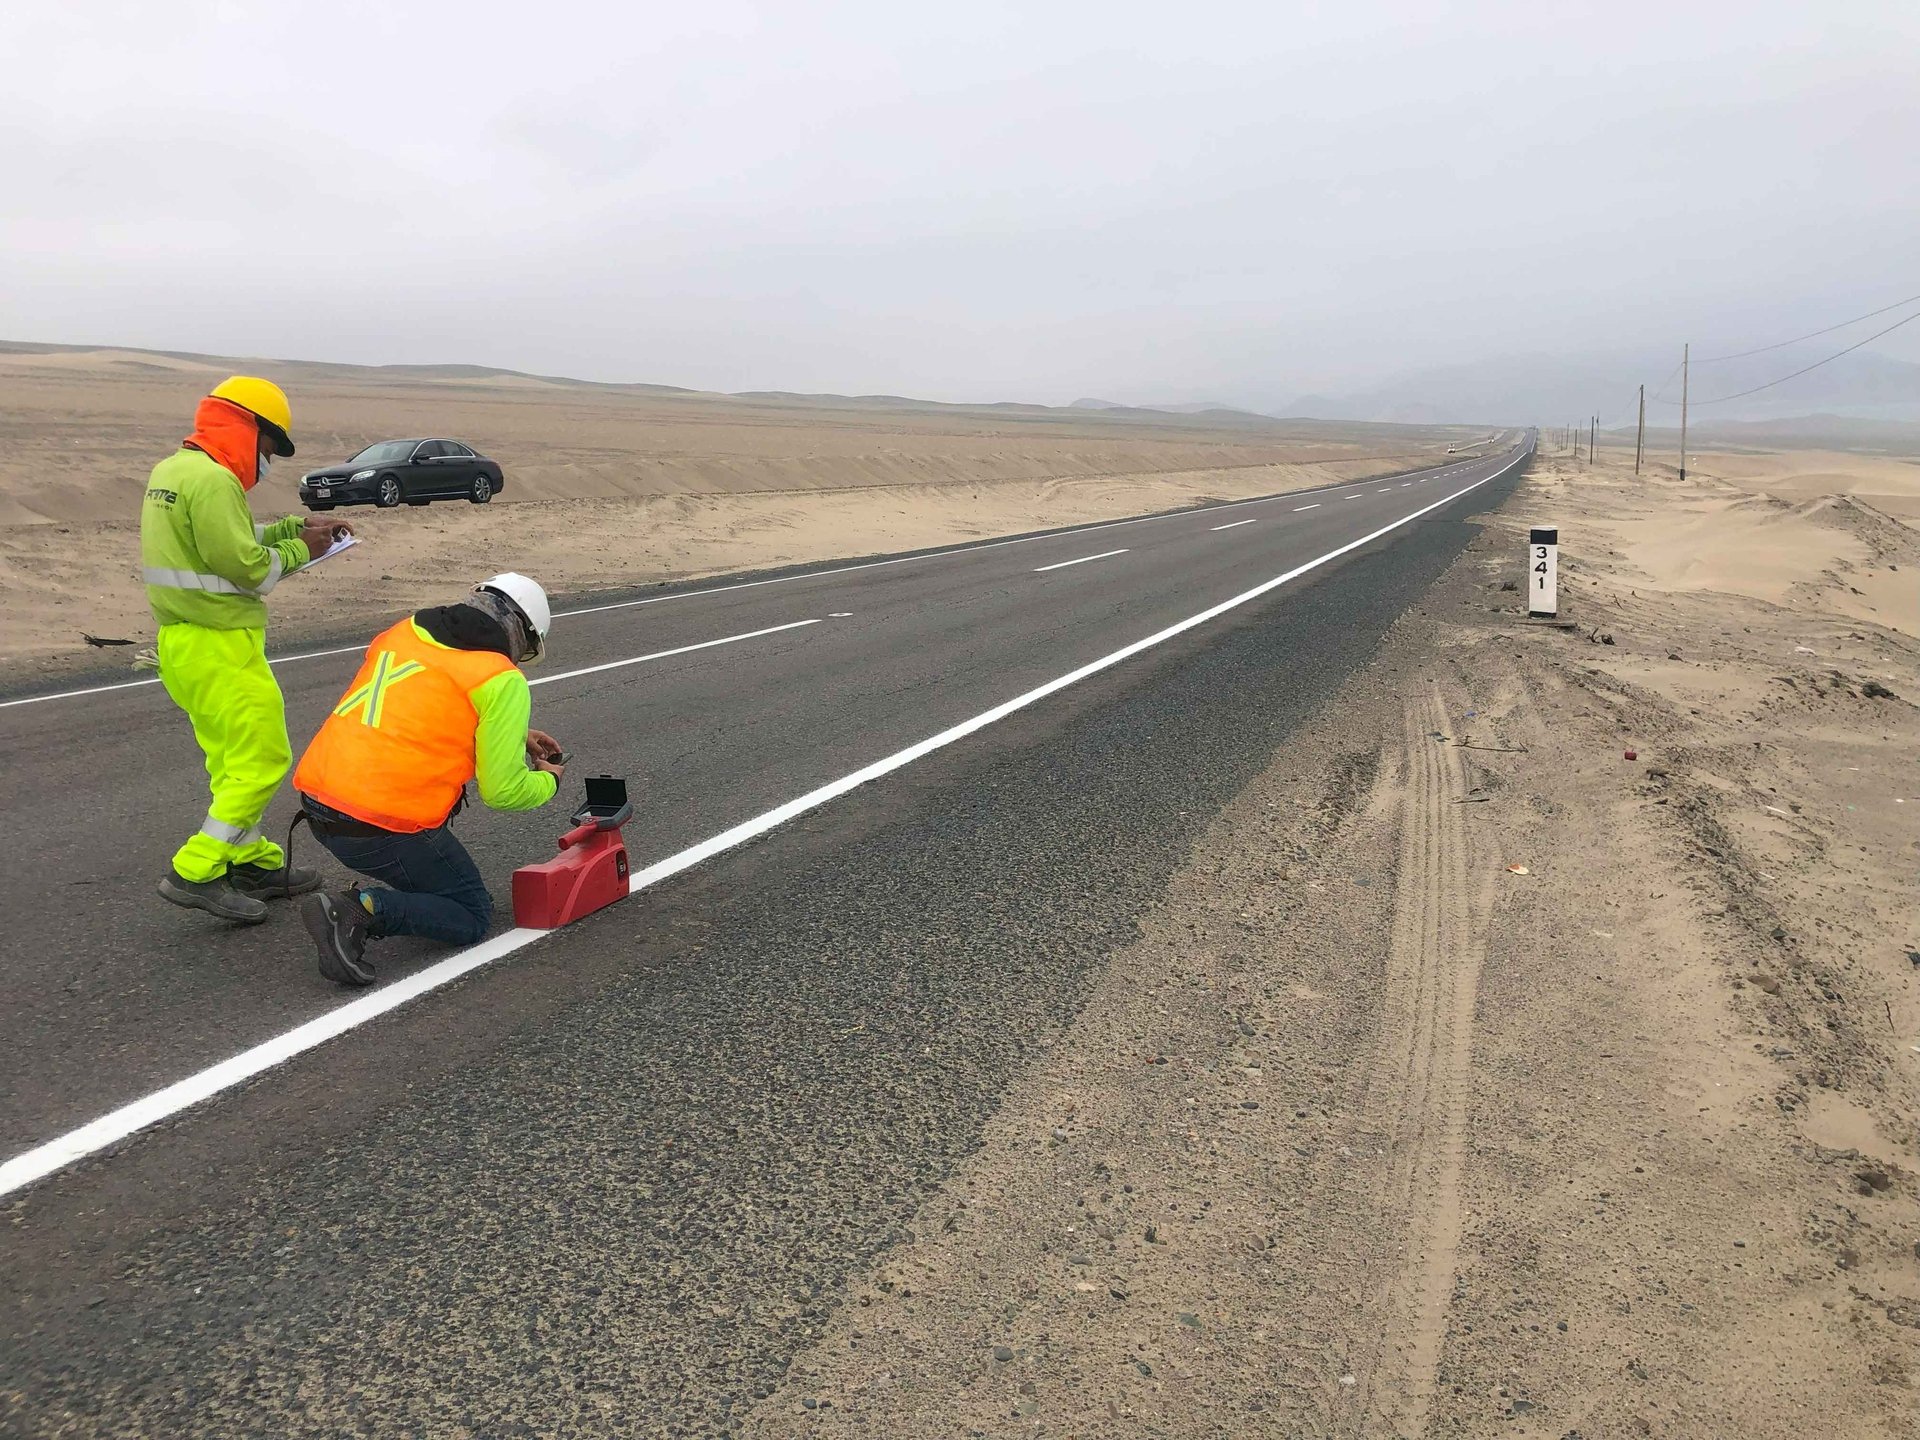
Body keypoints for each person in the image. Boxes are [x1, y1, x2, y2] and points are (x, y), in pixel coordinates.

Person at [144, 375, 352, 923]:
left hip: (183, 643)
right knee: (263, 757)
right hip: (219, 644)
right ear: (248, 428)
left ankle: (251, 859)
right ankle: (196, 869)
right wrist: (302, 549)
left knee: (231, 760)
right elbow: (248, 568)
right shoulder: (214, 481)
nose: (268, 460)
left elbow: (222, 540)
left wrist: (294, 527)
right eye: (270, 446)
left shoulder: (173, 471)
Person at [292, 573, 565, 987]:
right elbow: (504, 792)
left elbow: (418, 704)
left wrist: (511, 733)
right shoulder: (500, 679)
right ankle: (359, 909)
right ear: (521, 634)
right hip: (378, 825)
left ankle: (375, 898)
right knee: (471, 913)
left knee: (433, 878)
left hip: (318, 804)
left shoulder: (405, 631)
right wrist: (550, 782)